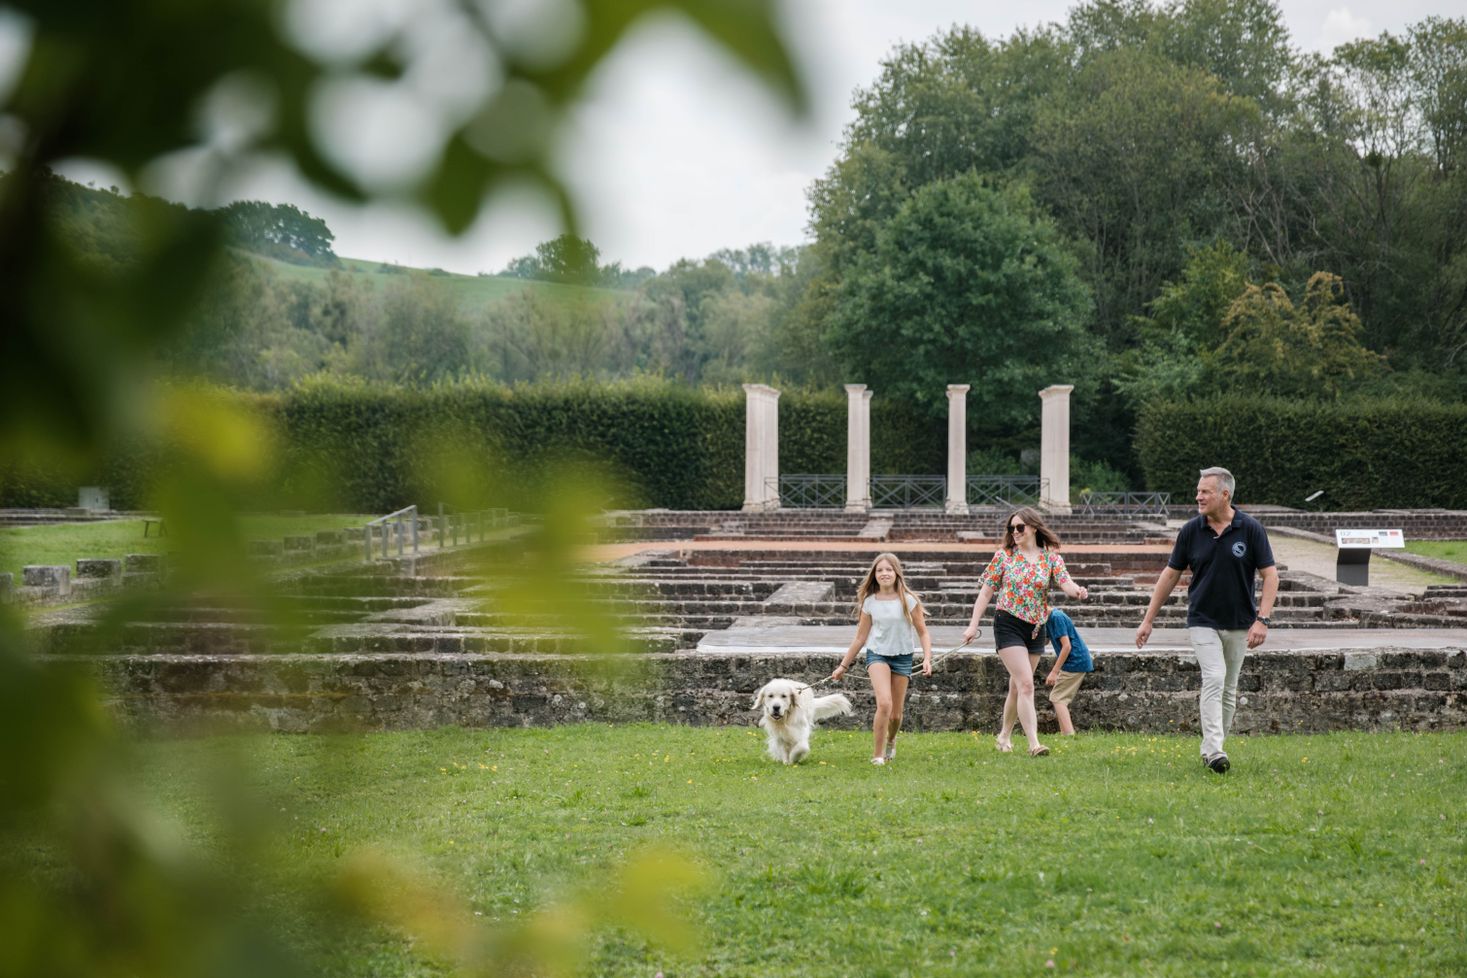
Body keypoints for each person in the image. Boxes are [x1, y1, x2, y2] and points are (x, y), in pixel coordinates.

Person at [1135, 466, 1278, 774]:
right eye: (1198, 490)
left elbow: (1270, 575)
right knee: (1213, 677)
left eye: (1205, 492)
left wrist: (1262, 620)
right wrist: (1148, 620)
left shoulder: (1250, 529)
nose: (1197, 496)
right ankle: (1214, 750)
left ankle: (1215, 747)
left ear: (1225, 495)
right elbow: (1170, 575)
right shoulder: (1190, 531)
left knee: (1229, 688)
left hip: (1240, 621)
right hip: (1202, 618)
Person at [962, 508, 1089, 757]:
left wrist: (1078, 592)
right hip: (1007, 622)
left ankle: (1004, 736)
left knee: (1017, 687)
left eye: (1020, 527)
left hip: (1035, 628)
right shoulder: (1004, 556)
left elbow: (1066, 583)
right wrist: (972, 624)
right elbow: (986, 592)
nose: (1015, 532)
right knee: (1026, 685)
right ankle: (1034, 744)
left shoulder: (1051, 558)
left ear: (1033, 528)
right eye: (1012, 528)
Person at [831, 552, 933, 765]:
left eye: (888, 569)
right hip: (877, 654)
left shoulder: (909, 600)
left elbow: (923, 632)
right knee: (884, 704)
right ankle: (877, 756)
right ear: (874, 575)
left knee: (895, 715)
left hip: (903, 657)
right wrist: (843, 665)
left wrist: (927, 658)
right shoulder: (869, 602)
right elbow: (860, 638)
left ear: (896, 573)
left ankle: (891, 739)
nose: (884, 573)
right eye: (880, 570)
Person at [1043, 607, 1092, 735]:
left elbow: (1066, 646)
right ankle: (1065, 734)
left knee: (1058, 698)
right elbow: (1045, 641)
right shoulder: (1047, 619)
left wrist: (1054, 671)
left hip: (1075, 661)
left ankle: (1069, 734)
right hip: (1074, 661)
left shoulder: (1056, 617)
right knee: (1058, 697)